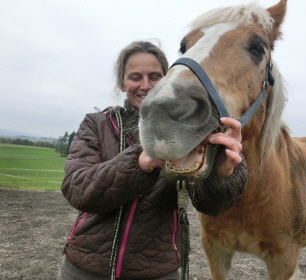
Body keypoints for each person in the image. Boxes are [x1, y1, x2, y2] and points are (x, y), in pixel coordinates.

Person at [57, 40, 248, 280]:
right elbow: (78, 190)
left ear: (168, 79)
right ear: (122, 82)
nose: (145, 85)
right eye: (135, 77)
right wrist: (139, 162)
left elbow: (213, 206)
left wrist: (222, 172)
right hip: (84, 268)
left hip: (157, 272)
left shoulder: (191, 129)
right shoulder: (97, 124)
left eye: (155, 76)